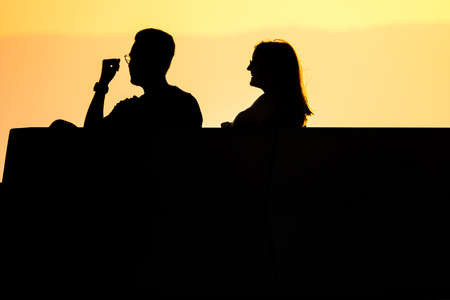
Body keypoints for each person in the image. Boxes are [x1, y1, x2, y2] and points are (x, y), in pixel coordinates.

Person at [52, 28, 202, 129]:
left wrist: (102, 85)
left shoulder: (131, 110)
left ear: (154, 61)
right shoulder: (187, 103)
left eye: (135, 58)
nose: (130, 65)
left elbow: (92, 136)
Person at [221, 40, 312, 128]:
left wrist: (230, 126)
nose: (248, 68)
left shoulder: (269, 105)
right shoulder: (292, 109)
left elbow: (241, 124)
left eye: (254, 63)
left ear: (271, 67)